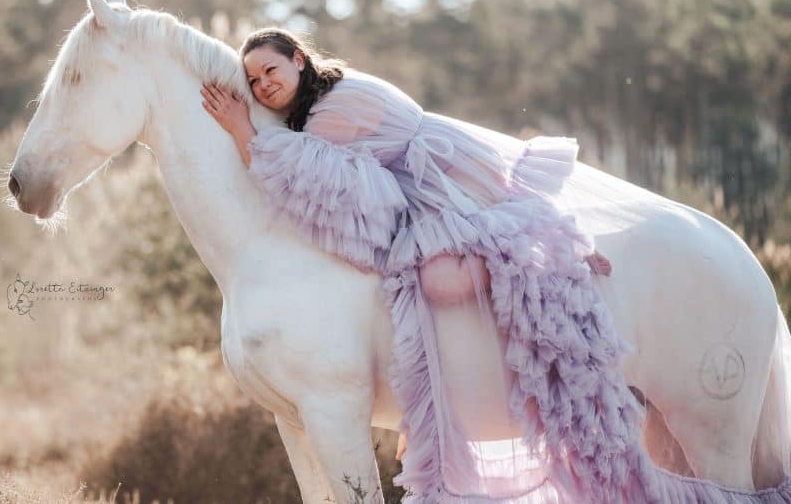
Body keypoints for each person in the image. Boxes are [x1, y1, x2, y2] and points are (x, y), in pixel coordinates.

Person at [200, 28, 613, 470]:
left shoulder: (334, 106)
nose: (264, 85)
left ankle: (546, 266)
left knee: (440, 277)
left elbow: (295, 170)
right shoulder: (316, 103)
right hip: (418, 183)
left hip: (441, 178)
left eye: (271, 70)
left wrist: (241, 127)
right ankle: (426, 404)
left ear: (299, 59)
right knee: (415, 281)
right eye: (255, 80)